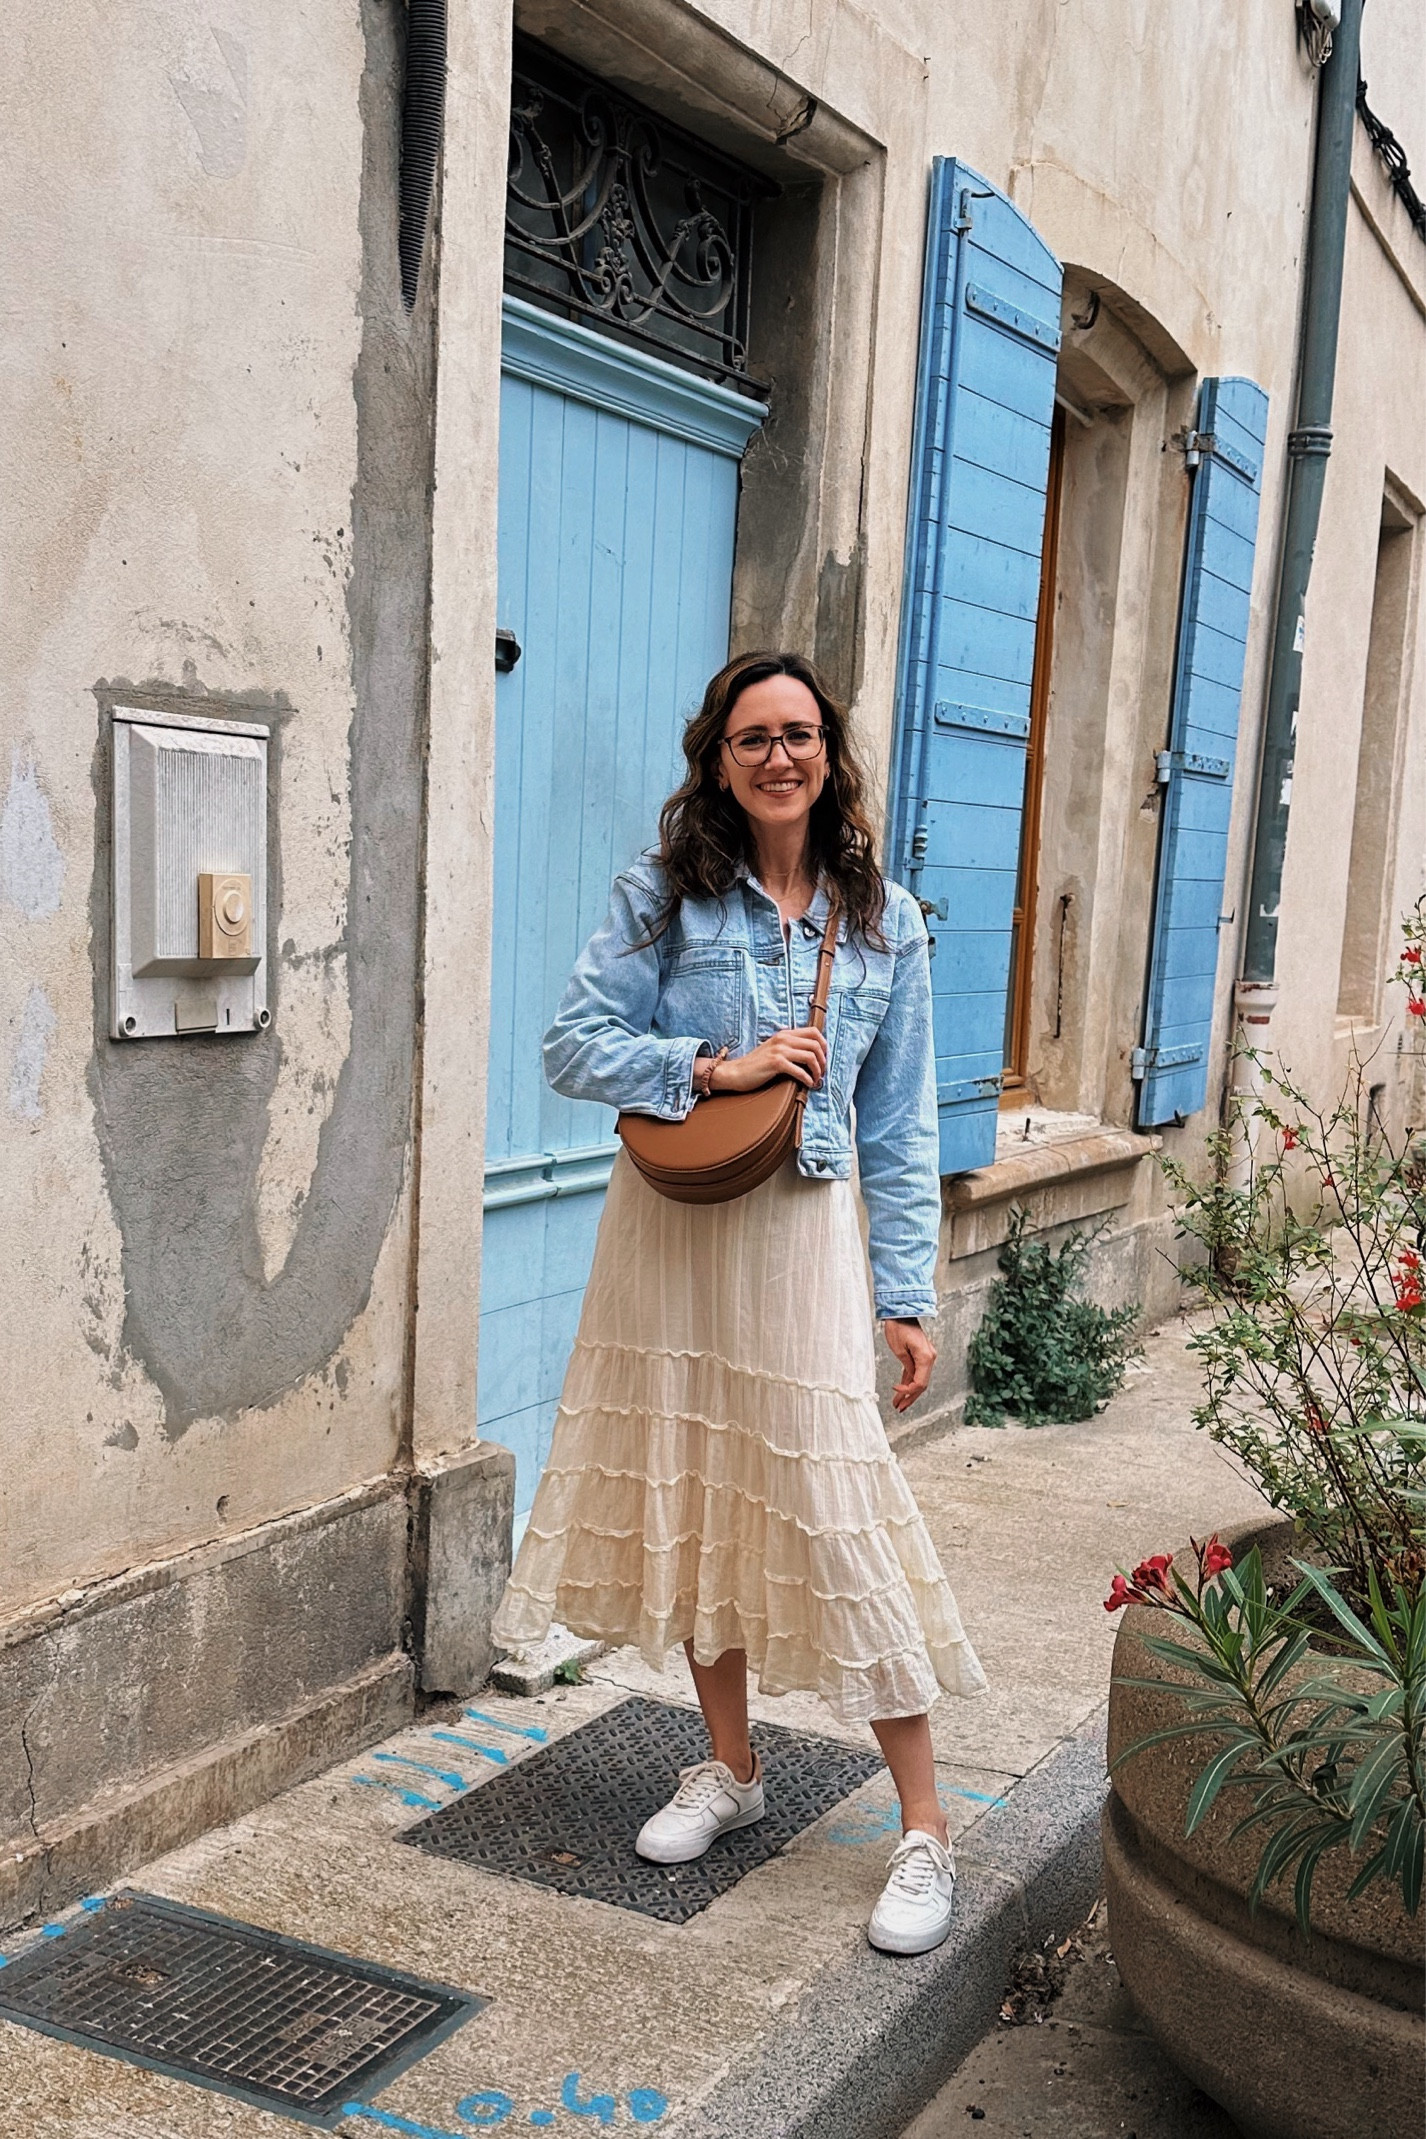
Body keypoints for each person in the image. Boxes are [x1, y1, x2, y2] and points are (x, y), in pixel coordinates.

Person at [492, 650, 986, 1955]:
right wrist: (712, 1062)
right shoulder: (664, 897)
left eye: (801, 734)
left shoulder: (888, 923)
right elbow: (567, 1046)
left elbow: (897, 1123)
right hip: (669, 1234)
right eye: (753, 736)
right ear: (716, 757)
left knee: (836, 1511)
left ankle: (924, 1828)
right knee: (702, 1490)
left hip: (800, 1239)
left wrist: (903, 1297)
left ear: (831, 755)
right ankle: (733, 1769)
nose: (780, 755)